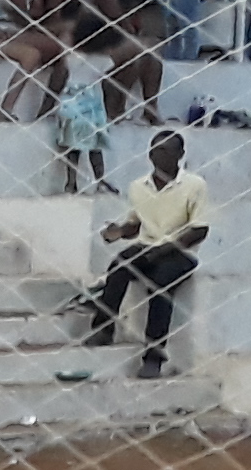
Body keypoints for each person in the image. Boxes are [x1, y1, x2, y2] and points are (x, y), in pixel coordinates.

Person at [87, 127, 209, 375]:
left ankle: (154, 358)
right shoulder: (138, 186)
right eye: (155, 150)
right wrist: (119, 231)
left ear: (180, 154)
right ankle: (103, 329)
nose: (159, 156)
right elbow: (135, 224)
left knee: (161, 285)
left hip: (179, 251)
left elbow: (199, 230)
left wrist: (165, 249)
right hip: (147, 246)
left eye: (166, 151)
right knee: (118, 266)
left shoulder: (194, 185)